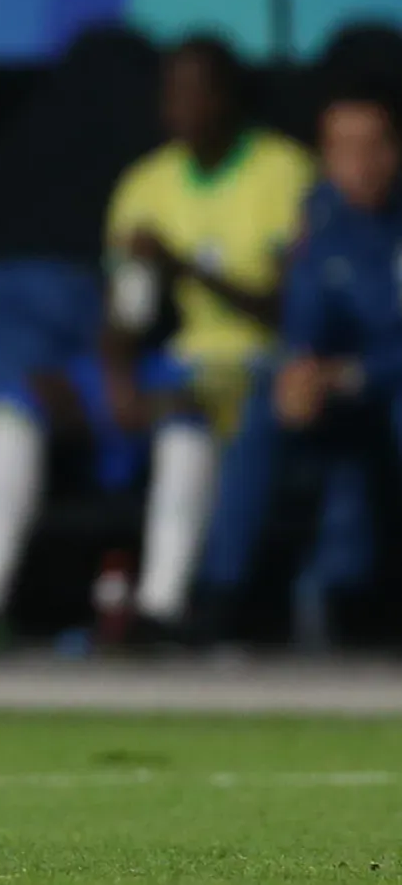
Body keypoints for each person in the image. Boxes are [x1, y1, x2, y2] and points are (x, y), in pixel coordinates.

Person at [0, 36, 314, 645]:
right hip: (168, 366)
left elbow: (293, 312)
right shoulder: (147, 184)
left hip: (251, 365)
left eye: (196, 92)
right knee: (16, 402)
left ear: (227, 97)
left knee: (183, 418)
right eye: (171, 94)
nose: (181, 108)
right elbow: (126, 312)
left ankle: (161, 610)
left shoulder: (284, 173)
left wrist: (188, 268)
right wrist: (116, 382)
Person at [203, 80, 402, 638]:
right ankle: (222, 595)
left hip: (388, 380)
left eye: (374, 146)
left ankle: (341, 591)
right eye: (343, 149)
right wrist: (303, 369)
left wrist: (357, 373)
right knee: (268, 404)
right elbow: (306, 317)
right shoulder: (322, 221)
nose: (360, 164)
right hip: (344, 387)